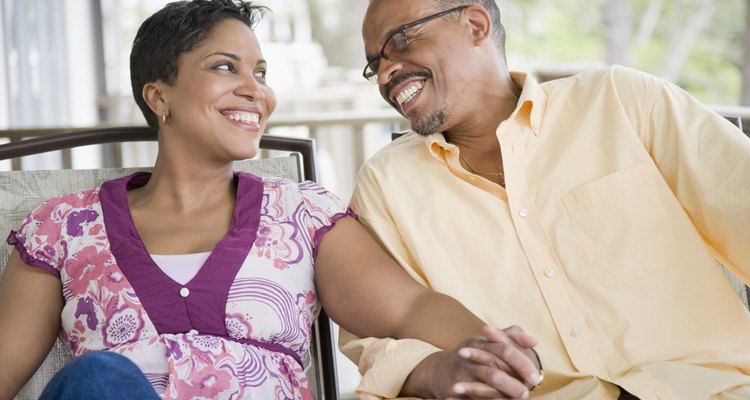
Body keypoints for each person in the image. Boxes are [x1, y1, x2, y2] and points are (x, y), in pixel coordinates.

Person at [0, 1, 543, 399]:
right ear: (158, 96)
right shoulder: (63, 228)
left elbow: (409, 308)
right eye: (224, 67)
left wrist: (493, 351)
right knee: (99, 379)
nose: (254, 89)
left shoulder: (302, 215)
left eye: (259, 73)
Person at [342, 0, 750, 399]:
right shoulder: (386, 183)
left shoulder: (622, 102)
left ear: (476, 25)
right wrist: (430, 368)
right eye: (375, 65)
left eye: (400, 41)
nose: (384, 76)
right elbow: (373, 336)